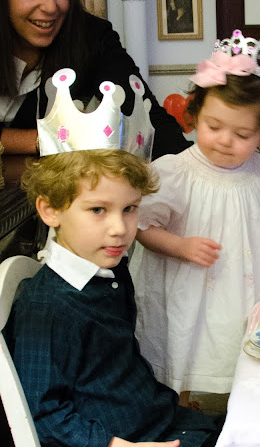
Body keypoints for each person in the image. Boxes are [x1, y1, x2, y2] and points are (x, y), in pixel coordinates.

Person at [129, 33, 260, 404]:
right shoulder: (176, 172)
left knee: (234, 344)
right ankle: (183, 407)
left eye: (242, 134)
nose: (225, 140)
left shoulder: (259, 170)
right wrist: (179, 245)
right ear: (195, 116)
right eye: (214, 127)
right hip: (187, 286)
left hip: (240, 284)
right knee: (186, 347)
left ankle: (234, 405)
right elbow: (142, 226)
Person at [5, 148, 224, 447]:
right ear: (50, 210)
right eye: (98, 210)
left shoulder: (112, 269)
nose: (120, 229)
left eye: (130, 208)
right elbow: (44, 415)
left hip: (158, 418)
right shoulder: (46, 307)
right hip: (124, 439)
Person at [0, 0, 190, 161]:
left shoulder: (92, 36)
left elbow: (149, 119)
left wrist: (194, 169)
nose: (50, 6)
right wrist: (46, 139)